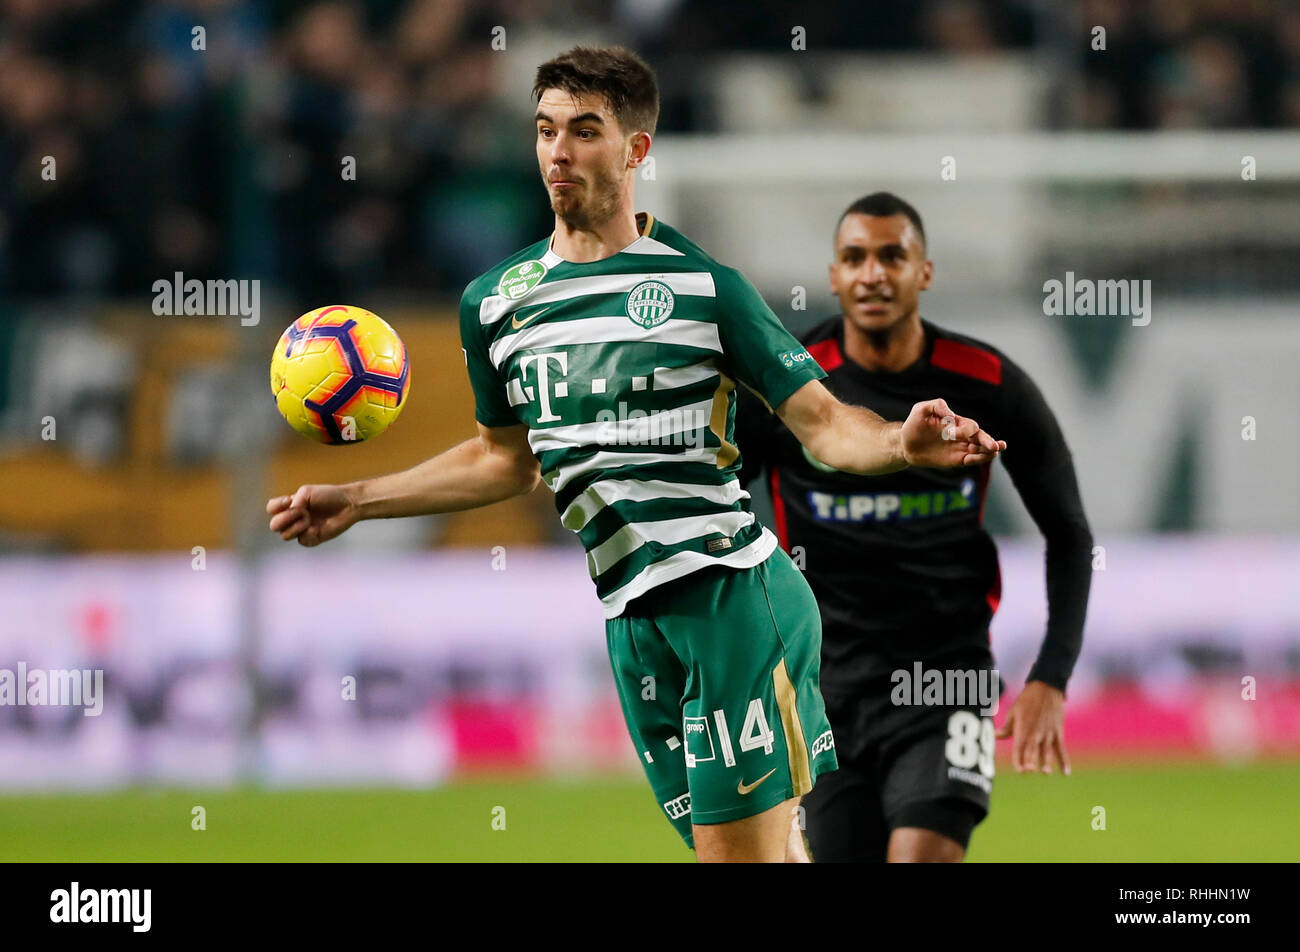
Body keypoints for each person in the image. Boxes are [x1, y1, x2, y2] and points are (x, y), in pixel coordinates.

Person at [267, 52, 1005, 863]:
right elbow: (503, 461)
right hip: (633, 624)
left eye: (586, 132)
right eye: (546, 130)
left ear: (635, 151)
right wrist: (360, 498)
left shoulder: (702, 287)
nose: (559, 152)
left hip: (732, 599)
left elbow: (824, 424)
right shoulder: (496, 304)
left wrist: (901, 440)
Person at [735, 192, 1092, 862]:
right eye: (855, 258)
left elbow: (1068, 531)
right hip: (819, 691)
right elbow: (721, 508)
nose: (873, 273)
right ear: (834, 274)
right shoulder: (789, 387)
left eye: (892, 256)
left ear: (924, 271)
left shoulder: (986, 382)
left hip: (946, 681)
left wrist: (1052, 673)